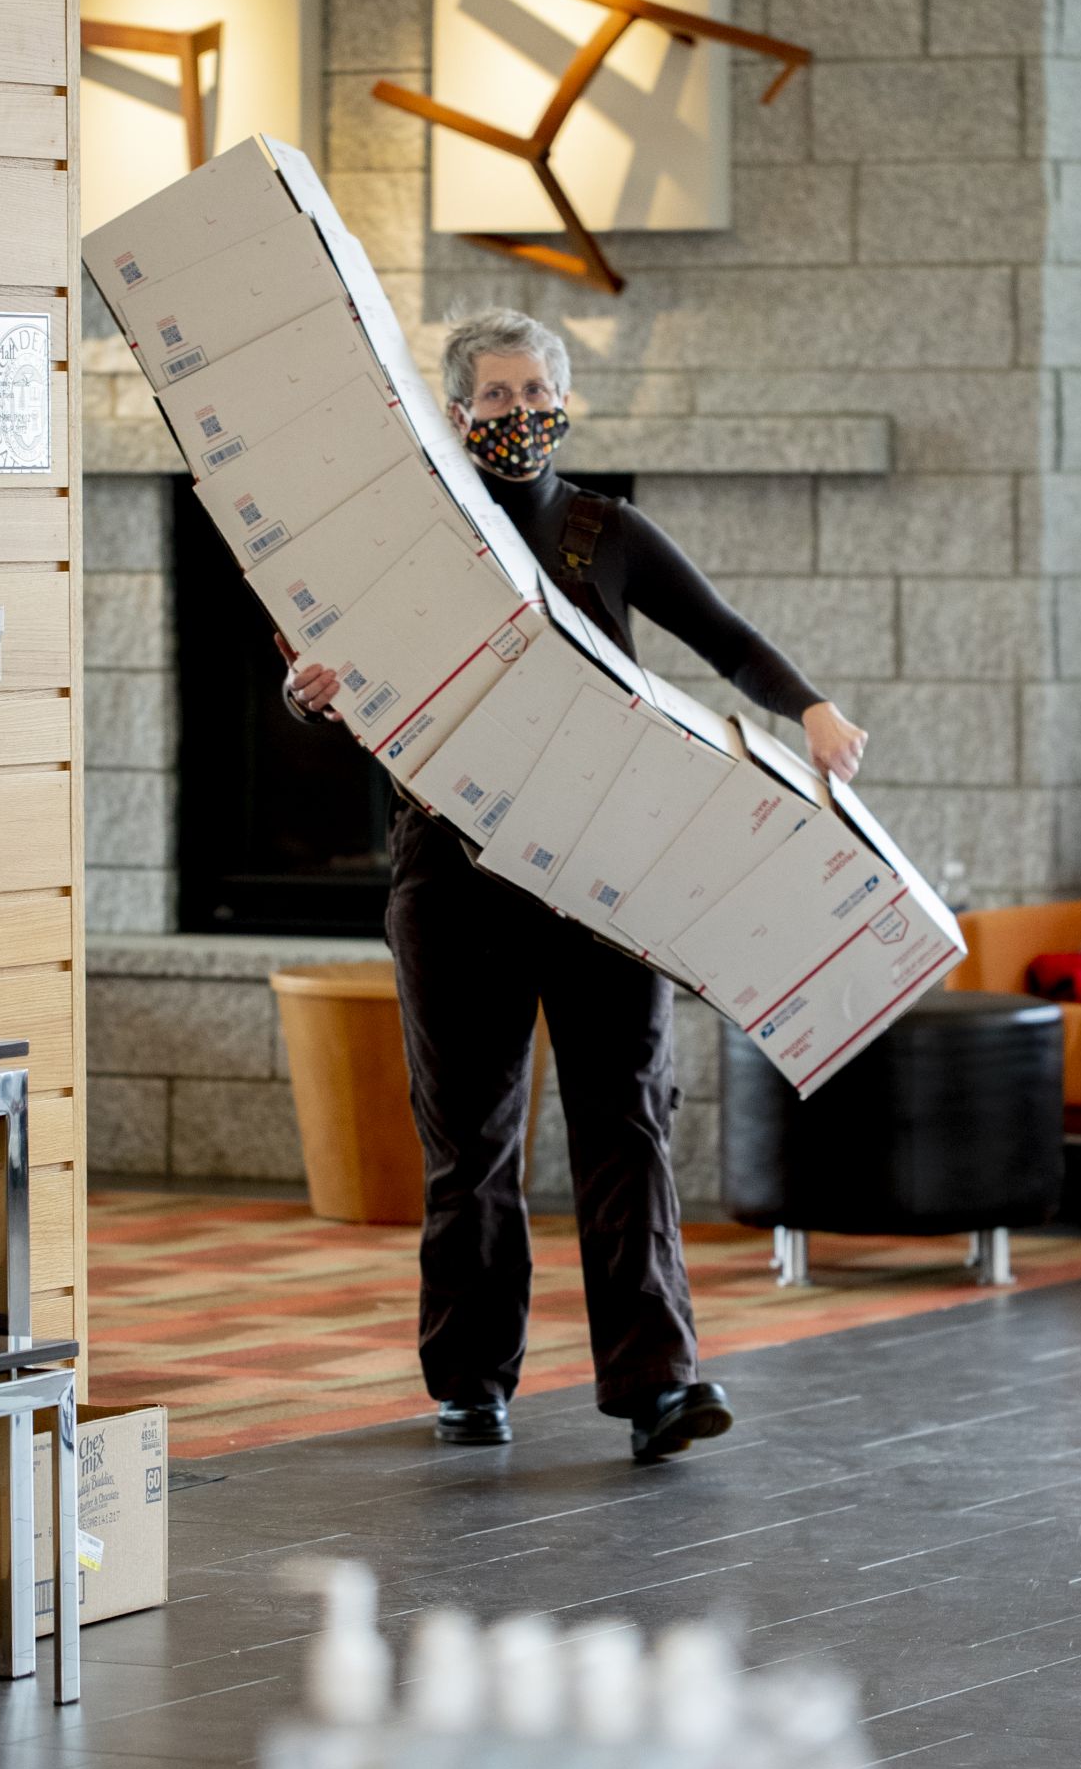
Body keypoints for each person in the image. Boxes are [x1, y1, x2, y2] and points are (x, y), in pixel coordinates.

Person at [279, 308, 868, 1463]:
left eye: (536, 391)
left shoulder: (606, 530)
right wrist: (308, 692)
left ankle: (658, 1384)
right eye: (495, 398)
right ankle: (469, 1382)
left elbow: (725, 635)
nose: (520, 415)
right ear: (455, 417)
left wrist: (808, 708)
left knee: (626, 1122)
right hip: (452, 878)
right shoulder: (411, 537)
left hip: (608, 878)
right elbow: (313, 681)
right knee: (473, 1144)